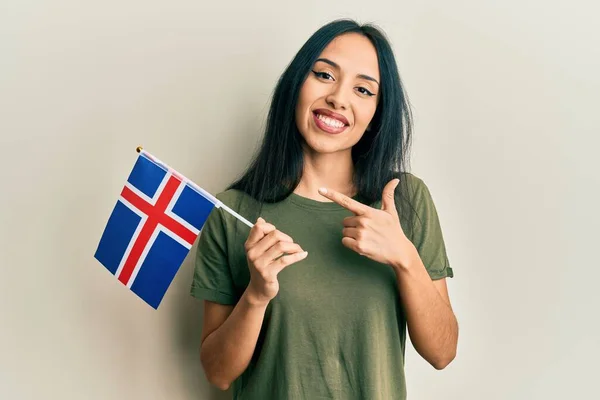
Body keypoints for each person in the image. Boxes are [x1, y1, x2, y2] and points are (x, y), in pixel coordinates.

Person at [190, 18, 458, 400]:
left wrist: (405, 258)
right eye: (324, 75)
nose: (339, 98)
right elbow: (217, 373)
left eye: (363, 89)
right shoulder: (233, 212)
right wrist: (256, 295)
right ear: (296, 85)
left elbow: (442, 352)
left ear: (376, 116)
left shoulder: (405, 200)